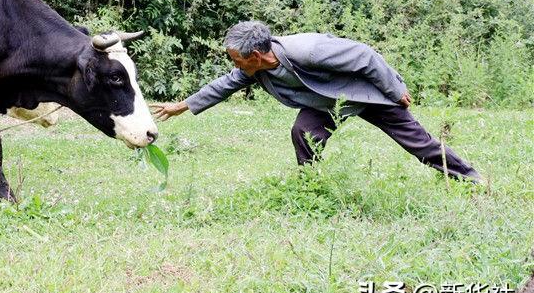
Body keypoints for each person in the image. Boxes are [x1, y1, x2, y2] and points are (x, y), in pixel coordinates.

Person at [151, 21, 482, 182]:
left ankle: (470, 179)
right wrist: (181, 106)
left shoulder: (307, 49)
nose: (234, 64)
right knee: (303, 131)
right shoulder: (253, 70)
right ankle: (311, 184)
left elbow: (365, 56)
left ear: (255, 55)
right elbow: (223, 85)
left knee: (417, 142)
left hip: (364, 94)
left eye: (237, 59)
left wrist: (394, 90)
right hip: (324, 103)